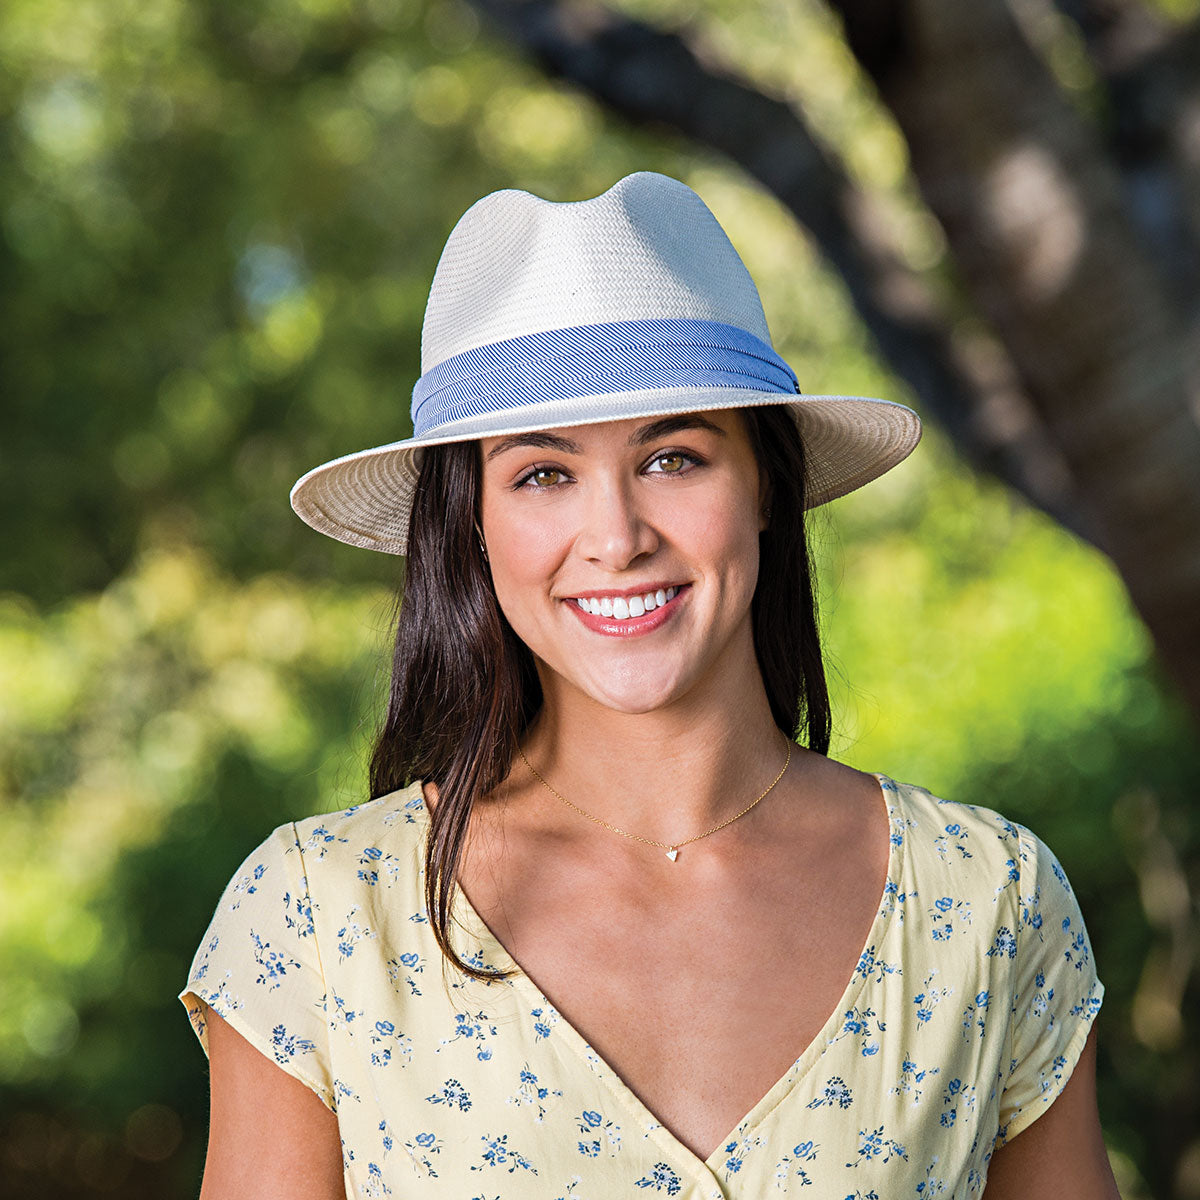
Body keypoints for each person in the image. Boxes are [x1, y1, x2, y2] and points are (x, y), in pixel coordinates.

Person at [179, 172, 1118, 1199]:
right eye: (542, 473)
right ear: (473, 526)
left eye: (673, 458)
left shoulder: (990, 901)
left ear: (768, 485)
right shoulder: (318, 920)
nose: (618, 538)